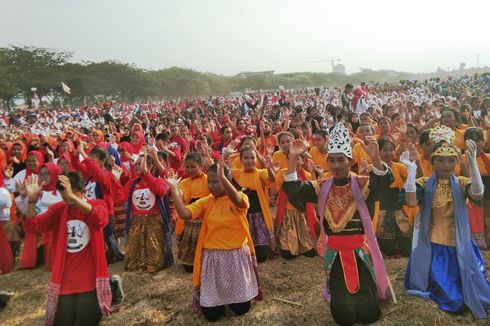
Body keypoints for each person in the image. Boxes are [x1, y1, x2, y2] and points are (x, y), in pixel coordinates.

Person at [282, 123, 391, 325]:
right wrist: (293, 157)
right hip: (335, 254)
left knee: (369, 314)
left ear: (350, 161)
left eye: (341, 160)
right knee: (343, 316)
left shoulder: (362, 183)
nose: (336, 165)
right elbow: (294, 189)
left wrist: (376, 158)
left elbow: (383, 183)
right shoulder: (322, 186)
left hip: (359, 251)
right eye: (331, 160)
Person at [403, 125, 490, 319]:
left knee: (479, 295)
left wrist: (473, 164)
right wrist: (410, 171)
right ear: (432, 161)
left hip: (462, 247)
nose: (446, 165)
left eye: (451, 160)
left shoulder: (460, 182)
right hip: (436, 252)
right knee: (455, 302)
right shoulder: (424, 183)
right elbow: (410, 201)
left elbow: (478, 193)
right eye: (440, 160)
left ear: (456, 161)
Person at [166, 162, 262, 322]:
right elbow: (184, 214)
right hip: (214, 260)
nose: (211, 185)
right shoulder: (207, 201)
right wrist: (174, 190)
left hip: (236, 259)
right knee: (212, 315)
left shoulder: (240, 197)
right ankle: (219, 300)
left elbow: (239, 201)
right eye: (209, 181)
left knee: (241, 310)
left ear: (227, 180)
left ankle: (233, 299)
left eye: (216, 181)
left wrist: (224, 179)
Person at [23, 172, 113, 326]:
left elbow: (99, 218)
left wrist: (74, 199)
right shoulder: (59, 210)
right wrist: (31, 201)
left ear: (82, 191)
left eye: (71, 194)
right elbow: (33, 226)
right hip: (65, 286)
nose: (67, 199)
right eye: (64, 196)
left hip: (90, 285)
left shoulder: (97, 204)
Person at [114, 152, 173, 273]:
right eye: (135, 164)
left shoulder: (158, 180)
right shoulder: (132, 183)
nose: (136, 166)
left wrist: (146, 175)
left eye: (140, 164)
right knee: (131, 262)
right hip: (137, 222)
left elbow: (160, 191)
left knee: (154, 259)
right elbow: (119, 199)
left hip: (154, 222)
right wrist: (116, 180)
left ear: (150, 166)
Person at [231, 146, 276, 262]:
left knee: (261, 256)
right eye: (246, 158)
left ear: (257, 159)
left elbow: (272, 179)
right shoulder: (236, 173)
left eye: (252, 158)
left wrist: (269, 168)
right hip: (243, 216)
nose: (249, 160)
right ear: (241, 160)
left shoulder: (261, 172)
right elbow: (224, 176)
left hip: (259, 215)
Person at [175, 152, 210, 273]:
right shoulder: (184, 182)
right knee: (189, 267)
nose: (190, 170)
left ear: (201, 166)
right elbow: (180, 195)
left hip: (206, 218)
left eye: (193, 167)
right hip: (189, 219)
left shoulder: (208, 179)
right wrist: (174, 188)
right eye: (187, 167)